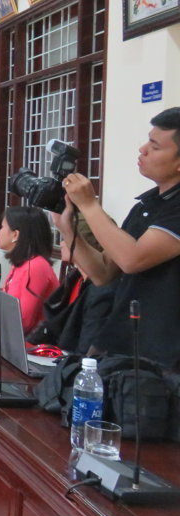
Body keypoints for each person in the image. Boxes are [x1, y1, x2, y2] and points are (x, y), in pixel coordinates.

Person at [54, 107, 180, 368]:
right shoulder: (146, 205)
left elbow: (133, 259)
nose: (142, 149)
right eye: (147, 140)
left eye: (155, 147)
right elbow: (103, 273)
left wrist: (89, 206)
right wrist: (68, 229)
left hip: (162, 359)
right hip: (121, 347)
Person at [27, 215, 116, 354]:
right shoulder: (76, 278)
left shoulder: (102, 291)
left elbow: (86, 347)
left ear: (84, 245)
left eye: (66, 238)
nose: (61, 244)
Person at [0, 206, 58, 335]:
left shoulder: (36, 266)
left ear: (15, 234)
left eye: (2, 227)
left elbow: (24, 321)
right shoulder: (22, 263)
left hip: (33, 347)